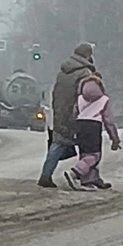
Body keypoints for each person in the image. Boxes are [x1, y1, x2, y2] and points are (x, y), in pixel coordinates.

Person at [38, 43, 96, 188]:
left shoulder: (63, 72)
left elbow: (56, 92)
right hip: (77, 113)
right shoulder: (84, 73)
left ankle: (46, 175)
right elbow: (86, 94)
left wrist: (59, 109)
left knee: (58, 142)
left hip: (60, 110)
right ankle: (88, 178)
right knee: (90, 146)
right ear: (87, 55)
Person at [65, 72, 120, 190]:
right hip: (93, 126)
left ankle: (88, 181)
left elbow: (74, 114)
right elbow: (108, 120)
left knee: (84, 154)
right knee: (94, 156)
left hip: (80, 125)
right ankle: (75, 173)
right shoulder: (104, 100)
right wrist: (114, 138)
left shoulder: (80, 98)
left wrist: (72, 129)